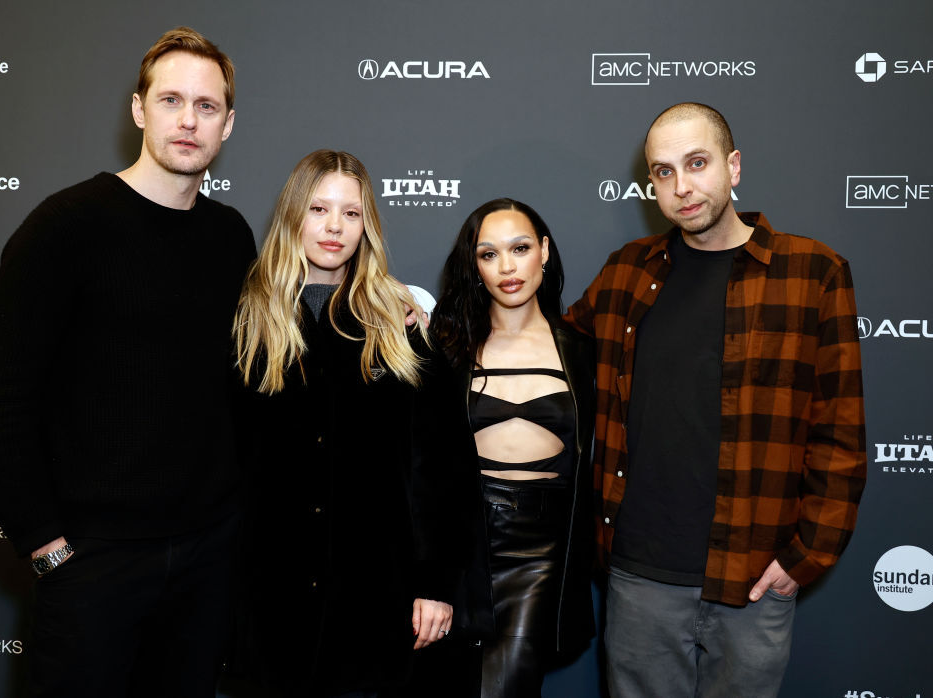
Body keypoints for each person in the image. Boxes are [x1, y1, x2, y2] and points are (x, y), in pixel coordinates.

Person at [0, 27, 255, 697]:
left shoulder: (231, 236)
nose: (188, 120)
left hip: (207, 560)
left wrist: (391, 311)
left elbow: (267, 361)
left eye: (207, 107)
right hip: (95, 565)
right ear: (138, 109)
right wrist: (47, 548)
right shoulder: (64, 227)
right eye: (171, 100)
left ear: (228, 124)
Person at [564, 102, 866, 697]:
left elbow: (842, 433)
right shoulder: (627, 271)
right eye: (663, 171)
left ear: (732, 167)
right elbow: (542, 345)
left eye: (696, 163)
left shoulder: (813, 273)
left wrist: (803, 559)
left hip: (752, 575)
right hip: (639, 574)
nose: (681, 187)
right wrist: (416, 318)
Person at [232, 149, 472, 697]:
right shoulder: (246, 318)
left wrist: (436, 583)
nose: (334, 227)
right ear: (294, 214)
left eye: (351, 213)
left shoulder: (398, 322)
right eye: (318, 209)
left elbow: (441, 464)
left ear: (368, 225)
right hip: (270, 593)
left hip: (375, 594)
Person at [427, 198, 595, 697]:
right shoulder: (446, 347)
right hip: (463, 545)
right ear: (473, 266)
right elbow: (425, 463)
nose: (506, 267)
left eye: (520, 248)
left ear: (544, 251)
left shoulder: (583, 350)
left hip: (541, 551)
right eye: (488, 254)